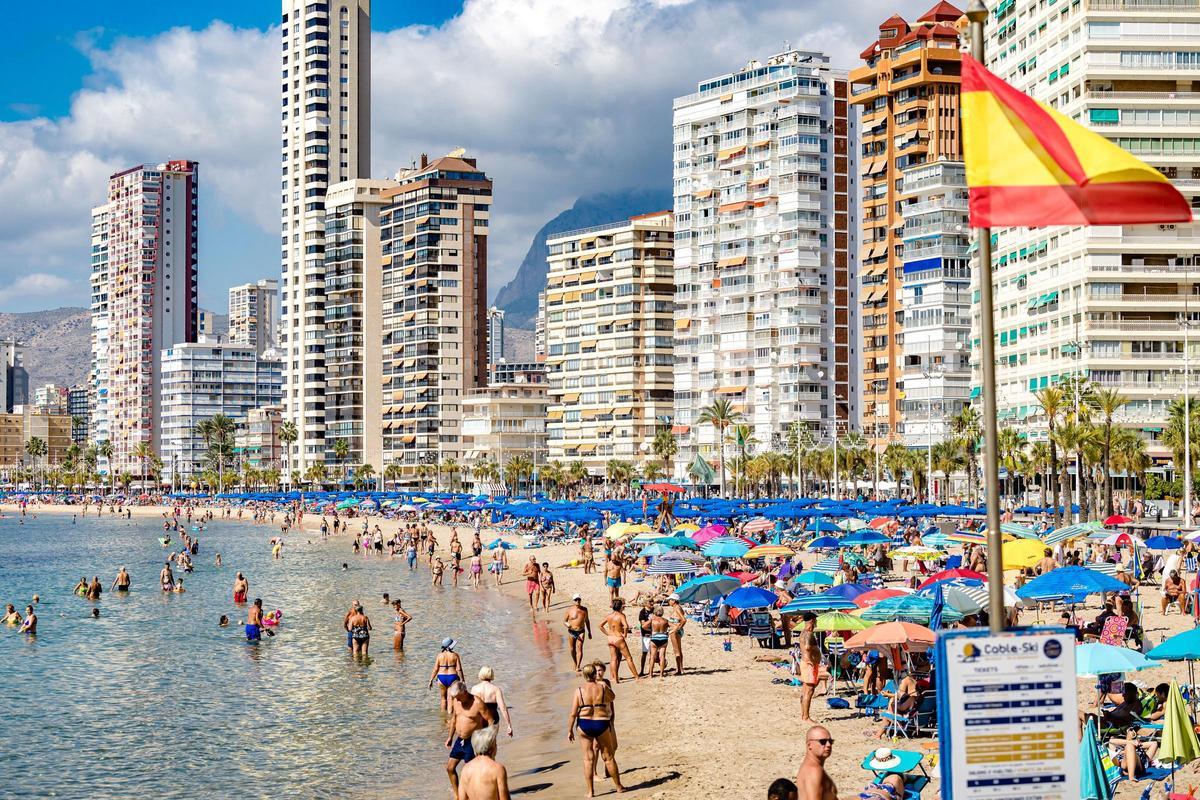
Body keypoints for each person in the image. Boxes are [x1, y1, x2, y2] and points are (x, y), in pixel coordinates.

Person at [567, 662, 624, 796]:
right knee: (608, 757)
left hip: (584, 724)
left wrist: (569, 730)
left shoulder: (579, 690)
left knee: (588, 759)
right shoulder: (602, 687)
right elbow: (612, 698)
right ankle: (619, 787)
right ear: (594, 674)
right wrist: (604, 688)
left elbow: (573, 713)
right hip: (601, 722)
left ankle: (590, 792)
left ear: (584, 675)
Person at [445, 680, 495, 797]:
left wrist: (488, 740)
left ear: (464, 692)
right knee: (450, 768)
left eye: (458, 697)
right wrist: (450, 737)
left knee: (469, 773)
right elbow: (454, 719)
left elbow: (490, 720)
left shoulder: (477, 703)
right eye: (455, 697)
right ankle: (458, 795)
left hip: (473, 741)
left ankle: (471, 795)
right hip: (460, 740)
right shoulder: (456, 701)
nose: (456, 700)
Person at [456, 724, 511, 800]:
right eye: (495, 743)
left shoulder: (465, 769)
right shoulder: (497, 769)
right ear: (492, 747)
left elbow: (462, 798)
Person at [599, 598, 641, 683]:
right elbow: (626, 626)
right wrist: (625, 634)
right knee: (629, 658)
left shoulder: (609, 616)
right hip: (618, 638)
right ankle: (636, 676)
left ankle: (615, 678)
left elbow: (600, 625)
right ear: (620, 607)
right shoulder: (621, 616)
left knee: (613, 659)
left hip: (610, 638)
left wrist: (607, 633)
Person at [472, 666, 514, 738]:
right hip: (493, 717)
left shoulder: (474, 688)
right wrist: (509, 725)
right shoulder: (496, 689)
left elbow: (471, 707)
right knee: (491, 742)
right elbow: (503, 708)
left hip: (479, 718)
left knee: (479, 742)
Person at [796, 725, 837, 800]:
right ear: (809, 745)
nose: (828, 745)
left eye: (831, 741)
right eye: (823, 742)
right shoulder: (814, 771)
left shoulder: (808, 766)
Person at [430, 637, 465, 711]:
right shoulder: (455, 655)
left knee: (443, 699)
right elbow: (459, 669)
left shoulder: (439, 655)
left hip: (441, 677)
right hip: (452, 677)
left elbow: (436, 669)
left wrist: (431, 680)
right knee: (450, 699)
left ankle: (443, 718)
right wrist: (462, 680)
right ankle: (449, 718)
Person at [797, 613, 821, 723]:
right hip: (809, 664)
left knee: (806, 690)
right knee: (809, 690)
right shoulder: (808, 633)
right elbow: (807, 647)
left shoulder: (804, 632)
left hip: (806, 663)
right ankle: (806, 717)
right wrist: (810, 660)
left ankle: (803, 715)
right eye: (815, 620)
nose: (816, 622)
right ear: (812, 620)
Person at [564, 594, 592, 672]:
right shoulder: (569, 610)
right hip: (572, 631)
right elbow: (565, 621)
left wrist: (589, 632)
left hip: (581, 631)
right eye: (576, 600)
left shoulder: (584, 610)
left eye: (579, 599)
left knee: (580, 648)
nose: (578, 601)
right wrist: (568, 625)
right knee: (572, 649)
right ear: (573, 601)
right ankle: (575, 663)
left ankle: (578, 666)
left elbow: (587, 621)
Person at [665, 594, 687, 676]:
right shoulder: (678, 607)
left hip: (675, 630)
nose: (668, 601)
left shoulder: (677, 608)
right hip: (678, 629)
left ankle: (679, 669)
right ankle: (681, 668)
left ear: (674, 601)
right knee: (679, 649)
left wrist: (676, 628)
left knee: (676, 650)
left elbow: (684, 620)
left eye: (670, 600)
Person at [647, 606, 671, 679]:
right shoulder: (666, 621)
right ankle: (661, 674)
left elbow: (643, 626)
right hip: (663, 638)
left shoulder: (652, 620)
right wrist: (669, 632)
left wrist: (650, 630)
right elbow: (675, 627)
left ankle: (650, 675)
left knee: (652, 657)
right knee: (662, 656)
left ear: (655, 612)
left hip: (654, 638)